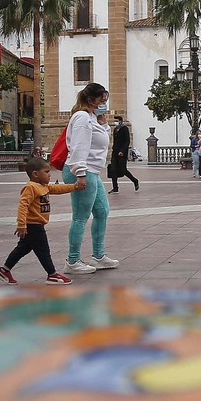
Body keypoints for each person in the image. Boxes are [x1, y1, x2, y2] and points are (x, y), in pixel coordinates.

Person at [0, 156, 85, 285]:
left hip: (36, 224)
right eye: (47, 172)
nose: (49, 175)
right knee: (43, 250)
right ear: (35, 174)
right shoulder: (31, 187)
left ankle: (4, 270)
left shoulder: (43, 186)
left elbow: (58, 189)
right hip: (33, 225)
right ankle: (52, 274)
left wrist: (74, 187)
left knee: (23, 249)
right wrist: (21, 224)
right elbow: (23, 205)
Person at [63, 82, 121, 274]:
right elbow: (79, 146)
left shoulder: (92, 118)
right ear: (90, 100)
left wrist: (103, 121)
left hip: (92, 171)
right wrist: (80, 173)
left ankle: (98, 255)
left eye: (106, 100)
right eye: (101, 100)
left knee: (102, 211)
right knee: (80, 217)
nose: (104, 103)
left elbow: (102, 140)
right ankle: (72, 261)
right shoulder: (82, 118)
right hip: (83, 170)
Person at [108, 115, 139, 193]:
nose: (115, 122)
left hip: (122, 153)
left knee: (123, 170)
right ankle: (115, 187)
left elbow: (127, 141)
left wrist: (123, 151)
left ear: (120, 121)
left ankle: (135, 181)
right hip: (115, 152)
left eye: (117, 121)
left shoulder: (125, 129)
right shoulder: (115, 129)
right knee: (113, 170)